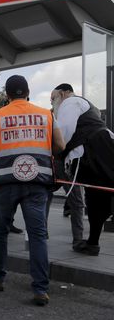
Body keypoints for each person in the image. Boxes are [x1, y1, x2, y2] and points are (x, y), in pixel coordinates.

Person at [0, 75, 65, 306]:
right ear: (28, 92)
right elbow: (60, 145)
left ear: (7, 95)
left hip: (5, 182)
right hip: (37, 182)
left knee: (0, 232)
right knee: (38, 235)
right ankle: (40, 289)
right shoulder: (46, 115)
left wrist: (0, 153)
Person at [51, 83, 114, 256]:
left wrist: (52, 152)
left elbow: (64, 133)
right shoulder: (87, 105)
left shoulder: (70, 102)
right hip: (101, 148)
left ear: (63, 93)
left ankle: (92, 243)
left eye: (53, 98)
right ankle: (92, 243)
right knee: (98, 196)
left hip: (94, 151)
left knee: (99, 196)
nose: (52, 102)